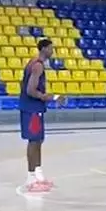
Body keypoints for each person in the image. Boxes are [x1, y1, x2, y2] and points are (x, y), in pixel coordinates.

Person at [19, 38, 66, 191]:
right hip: (32, 109)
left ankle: (38, 175)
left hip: (34, 108)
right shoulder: (37, 65)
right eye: (51, 48)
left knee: (38, 140)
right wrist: (51, 97)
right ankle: (30, 177)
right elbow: (30, 90)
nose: (52, 51)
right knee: (33, 141)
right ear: (44, 49)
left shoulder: (34, 63)